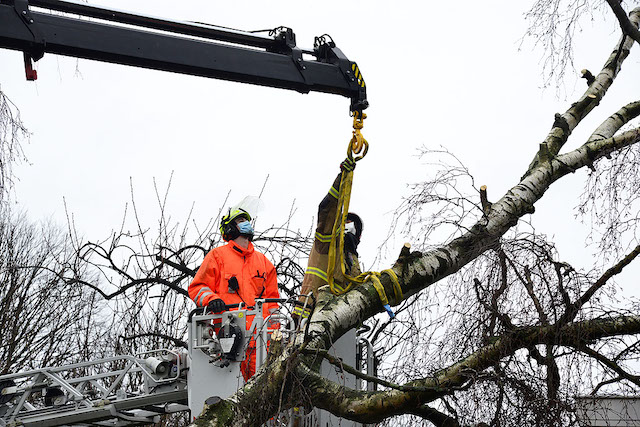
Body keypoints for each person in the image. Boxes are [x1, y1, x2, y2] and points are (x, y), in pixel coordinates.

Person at [188, 205, 279, 380]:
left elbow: (273, 302)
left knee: (263, 386)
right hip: (229, 335)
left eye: (247, 221)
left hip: (262, 337)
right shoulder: (217, 257)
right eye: (241, 221)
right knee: (242, 387)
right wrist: (211, 299)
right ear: (230, 227)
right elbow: (197, 287)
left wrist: (275, 334)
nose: (246, 224)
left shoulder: (264, 262)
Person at [293, 158, 363, 321]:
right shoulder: (327, 242)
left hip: (337, 323)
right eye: (344, 220)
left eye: (350, 222)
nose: (346, 224)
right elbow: (328, 210)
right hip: (309, 317)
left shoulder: (352, 261)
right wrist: (342, 180)